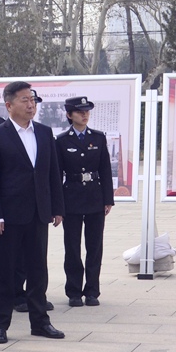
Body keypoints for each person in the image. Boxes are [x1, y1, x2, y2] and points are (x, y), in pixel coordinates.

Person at [0, 80, 63, 345]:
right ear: (9, 105)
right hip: (8, 216)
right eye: (25, 100)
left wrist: (57, 208)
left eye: (33, 100)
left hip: (38, 213)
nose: (31, 105)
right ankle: (0, 324)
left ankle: (40, 322)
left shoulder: (44, 132)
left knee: (38, 270)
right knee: (4, 272)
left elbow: (52, 173)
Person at [57, 96, 115, 307]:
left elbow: (105, 170)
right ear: (69, 115)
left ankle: (92, 291)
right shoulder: (61, 141)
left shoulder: (98, 138)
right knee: (72, 247)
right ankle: (73, 291)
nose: (84, 115)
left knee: (94, 246)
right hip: (71, 197)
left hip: (94, 197)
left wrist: (108, 199)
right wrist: (58, 205)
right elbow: (57, 174)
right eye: (79, 111)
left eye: (87, 111)